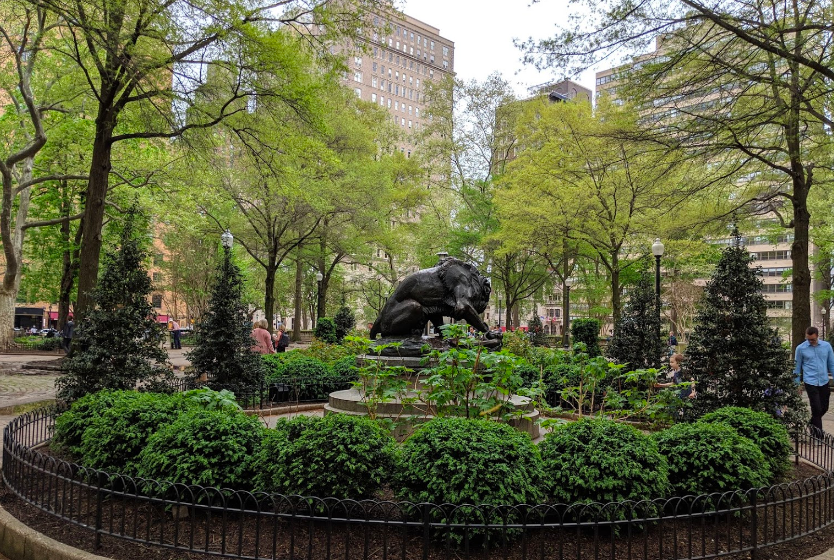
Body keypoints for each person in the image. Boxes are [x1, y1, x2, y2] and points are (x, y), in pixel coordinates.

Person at [794, 326, 834, 438]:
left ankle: (811, 424)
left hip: (824, 381)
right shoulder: (800, 349)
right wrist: (797, 384)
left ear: (817, 336)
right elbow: (796, 368)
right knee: (816, 408)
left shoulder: (826, 346)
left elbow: (831, 364)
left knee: (824, 408)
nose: (810, 341)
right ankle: (818, 436)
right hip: (810, 382)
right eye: (808, 339)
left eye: (812, 339)